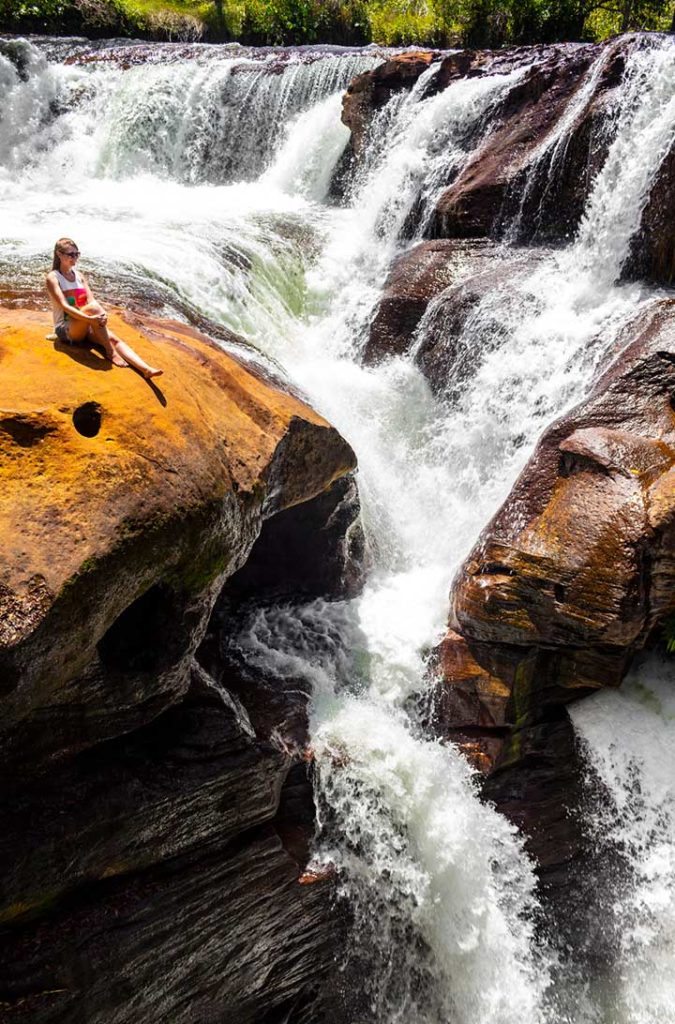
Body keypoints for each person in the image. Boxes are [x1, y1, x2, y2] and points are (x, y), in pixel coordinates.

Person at [46, 238, 163, 379]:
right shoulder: (53, 277)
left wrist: (101, 315)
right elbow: (64, 305)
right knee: (94, 311)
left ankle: (146, 369)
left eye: (77, 254)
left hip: (85, 324)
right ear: (59, 254)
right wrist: (91, 318)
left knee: (114, 339)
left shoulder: (79, 276)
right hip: (66, 329)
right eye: (71, 254)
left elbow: (91, 300)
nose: (74, 258)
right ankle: (110, 352)